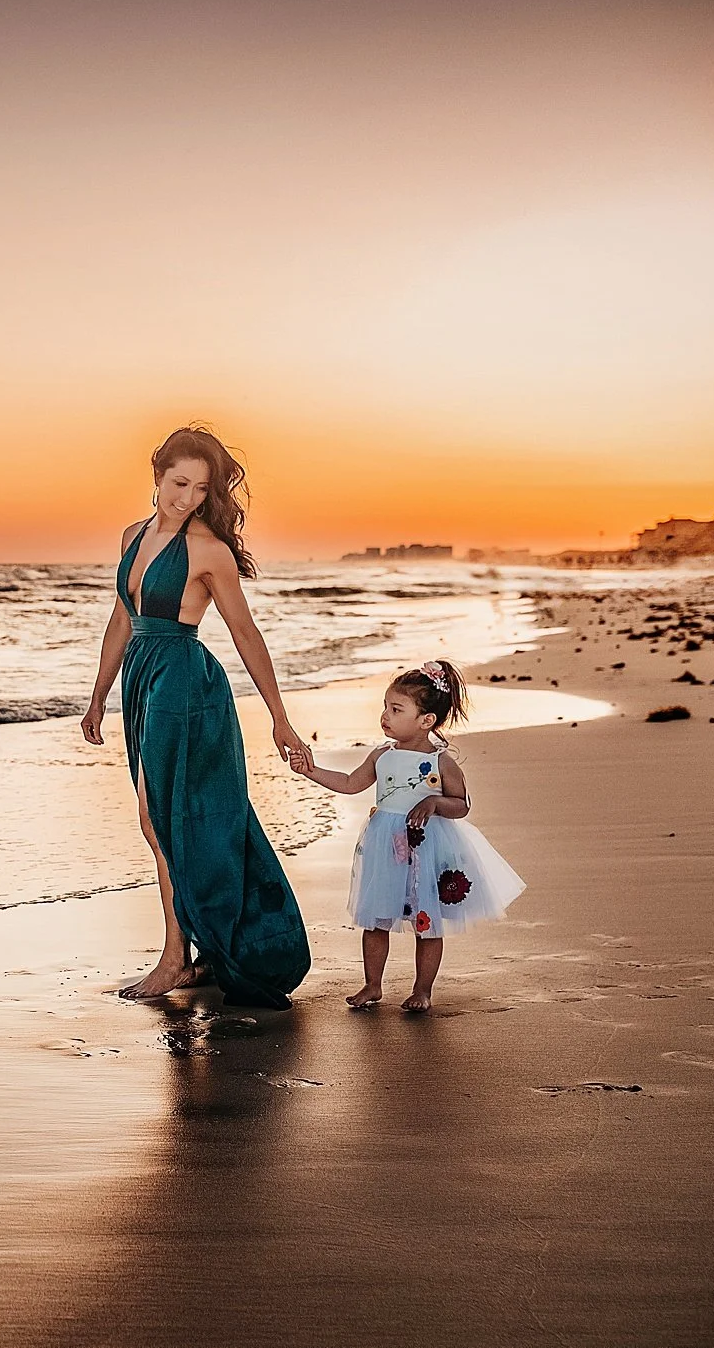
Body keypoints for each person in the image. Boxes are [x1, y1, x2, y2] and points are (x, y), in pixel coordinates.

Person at [79, 426, 313, 1006]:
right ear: (156, 475)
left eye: (200, 489)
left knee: (166, 820)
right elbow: (122, 618)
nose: (186, 498)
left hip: (186, 683)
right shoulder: (133, 536)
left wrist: (280, 718)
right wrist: (99, 692)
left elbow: (245, 632)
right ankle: (197, 949)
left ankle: (174, 960)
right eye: (178, 483)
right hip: (143, 679)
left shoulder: (209, 551)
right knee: (166, 819)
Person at [290, 660, 525, 1012]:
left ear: (425, 720)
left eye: (396, 709)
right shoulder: (382, 755)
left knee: (426, 922)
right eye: (385, 707)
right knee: (375, 918)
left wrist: (433, 802)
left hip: (425, 847)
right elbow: (352, 783)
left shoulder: (441, 763)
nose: (385, 715)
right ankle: (373, 984)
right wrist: (312, 771)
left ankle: (423, 990)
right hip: (385, 846)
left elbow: (462, 805)